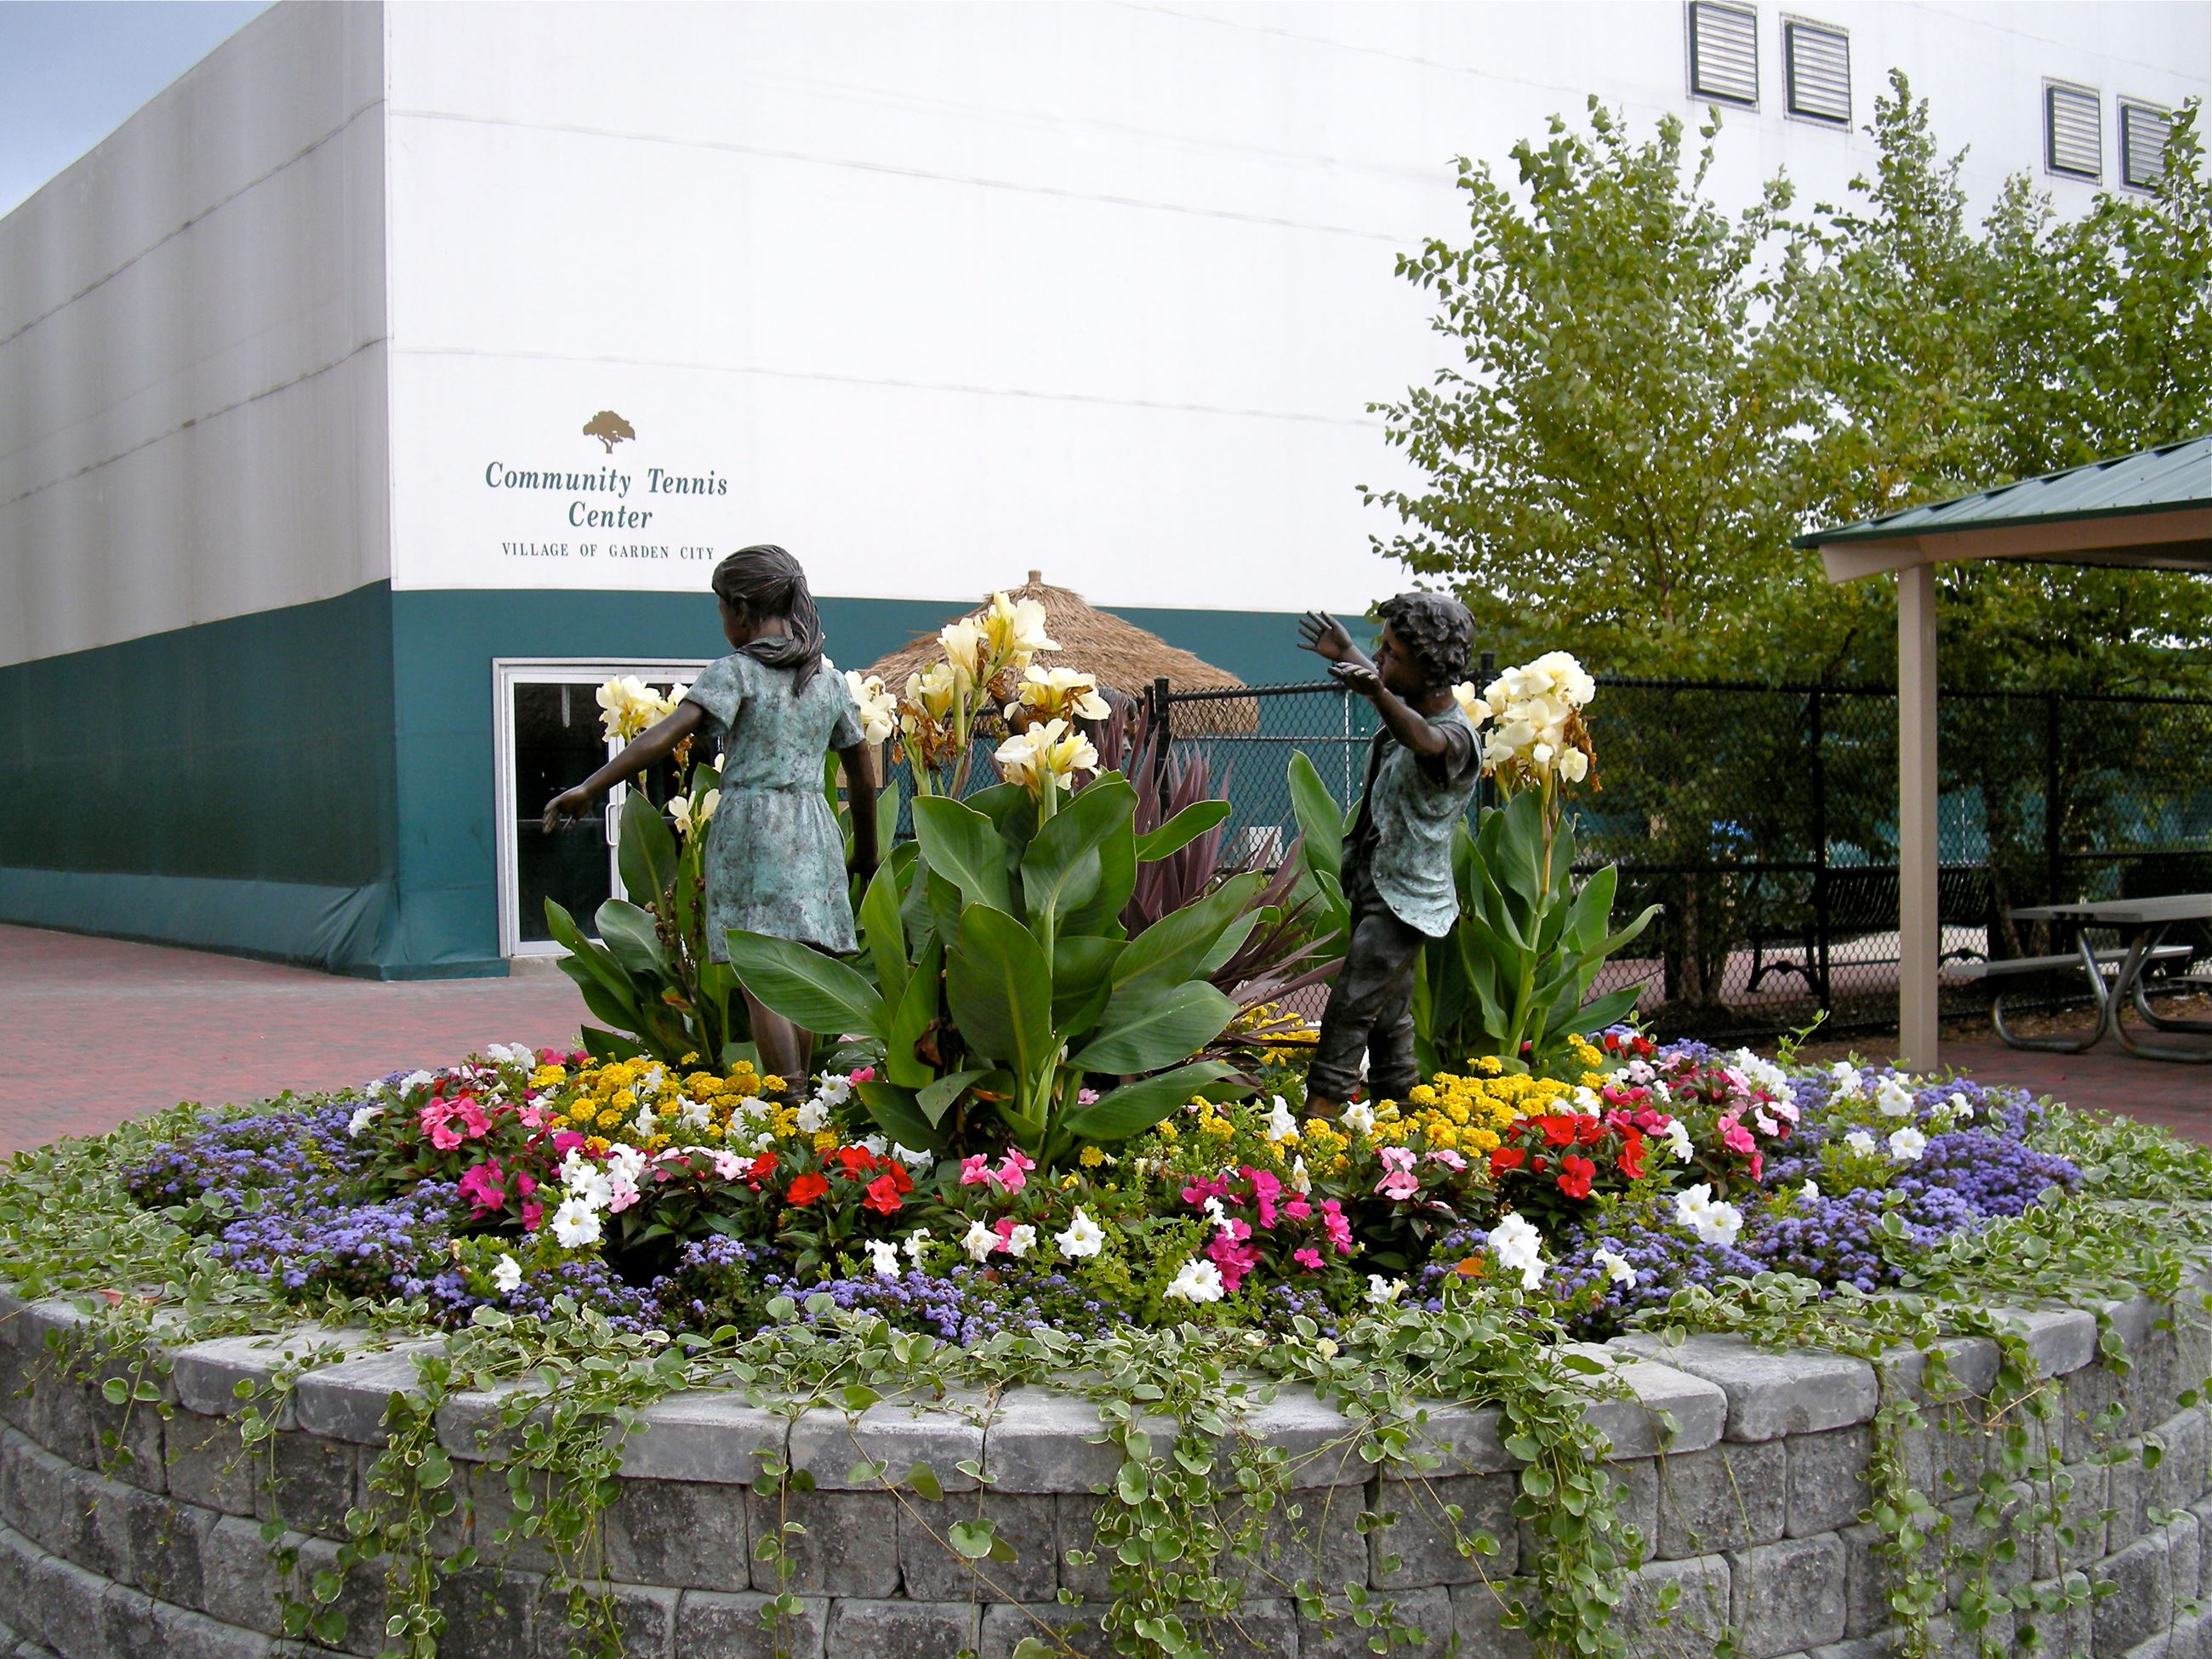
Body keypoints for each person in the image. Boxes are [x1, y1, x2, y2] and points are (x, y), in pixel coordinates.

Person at [543, 544, 877, 1084]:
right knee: (799, 969)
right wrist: (866, 851)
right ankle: (805, 1101)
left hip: (752, 830)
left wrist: (591, 786)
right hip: (813, 829)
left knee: (759, 972)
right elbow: (861, 773)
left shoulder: (736, 673)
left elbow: (662, 736)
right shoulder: (828, 681)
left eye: (721, 609)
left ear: (741, 608)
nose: (722, 621)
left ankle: (788, 1097)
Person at [1296, 594, 1480, 1115]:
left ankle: (1318, 1119)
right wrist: (1349, 652)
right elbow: (1396, 699)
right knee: (1389, 1011)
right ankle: (1400, 1111)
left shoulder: (1455, 738)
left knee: (1352, 1003)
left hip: (1405, 898)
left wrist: (1376, 692)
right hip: (1375, 881)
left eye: (1391, 654)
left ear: (1430, 670)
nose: (1380, 659)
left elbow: (1422, 738)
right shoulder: (1410, 707)